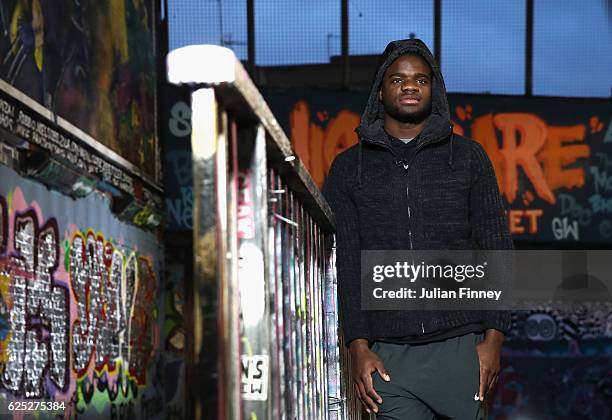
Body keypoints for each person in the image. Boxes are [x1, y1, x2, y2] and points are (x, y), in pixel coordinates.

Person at [322, 38, 513, 419]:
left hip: (461, 347)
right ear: (380, 91)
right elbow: (345, 262)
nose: (410, 86)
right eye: (398, 79)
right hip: (388, 357)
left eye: (421, 80)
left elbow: (496, 247)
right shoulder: (348, 168)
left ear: (434, 90)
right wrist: (357, 346)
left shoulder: (469, 158)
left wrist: (493, 339)